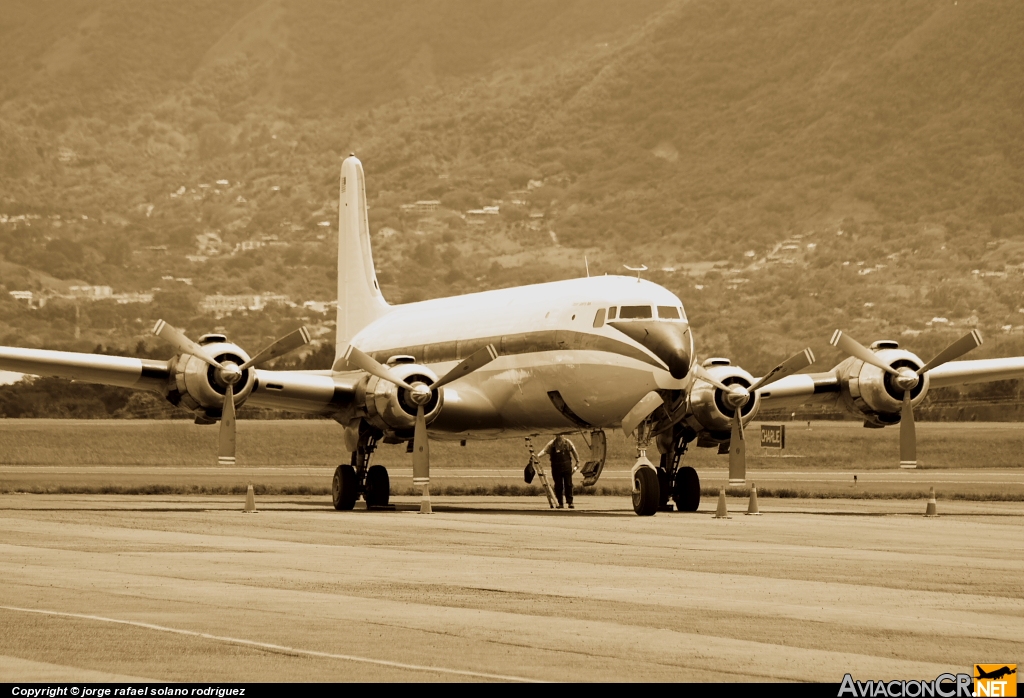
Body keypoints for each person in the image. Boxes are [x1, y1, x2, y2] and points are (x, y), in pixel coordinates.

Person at [537, 434, 579, 509]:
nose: (559, 436)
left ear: (563, 435)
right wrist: (537, 456)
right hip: (556, 467)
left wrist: (577, 462)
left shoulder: (567, 442)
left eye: (561, 435)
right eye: (558, 435)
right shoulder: (552, 444)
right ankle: (560, 503)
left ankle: (570, 502)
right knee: (558, 485)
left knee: (568, 484)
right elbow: (544, 451)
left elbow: (574, 451)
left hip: (567, 467)